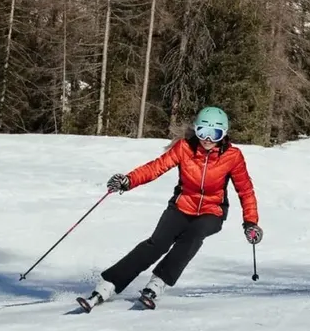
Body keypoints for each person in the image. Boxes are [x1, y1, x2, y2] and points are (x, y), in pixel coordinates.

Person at [79, 106, 262, 311]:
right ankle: (109, 284)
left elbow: (245, 191)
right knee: (157, 243)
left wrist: (250, 223)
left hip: (212, 211)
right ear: (196, 129)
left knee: (193, 235)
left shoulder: (233, 156)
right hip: (181, 206)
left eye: (215, 133)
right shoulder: (184, 148)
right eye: (203, 131)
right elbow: (156, 167)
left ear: (224, 134)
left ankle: (158, 282)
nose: (208, 139)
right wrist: (128, 181)